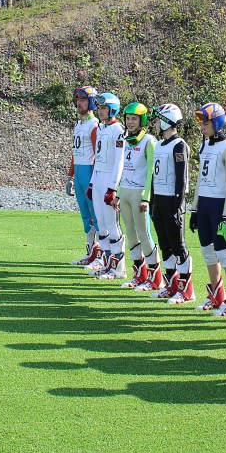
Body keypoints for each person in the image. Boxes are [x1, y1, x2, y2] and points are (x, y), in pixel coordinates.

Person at [189, 103, 226, 316]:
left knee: (224, 253)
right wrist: (194, 209)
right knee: (207, 252)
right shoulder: (203, 146)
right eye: (201, 122)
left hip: (220, 206)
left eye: (207, 122)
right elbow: (201, 180)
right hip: (204, 204)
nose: (202, 126)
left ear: (217, 123)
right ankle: (217, 296)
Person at [149, 103, 194, 304]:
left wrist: (178, 204)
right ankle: (172, 285)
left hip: (172, 201)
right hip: (159, 199)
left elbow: (181, 178)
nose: (156, 123)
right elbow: (153, 176)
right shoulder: (159, 145)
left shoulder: (179, 145)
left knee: (178, 246)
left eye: (159, 119)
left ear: (168, 120)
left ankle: (186, 289)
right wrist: (152, 200)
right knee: (165, 246)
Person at [114, 102, 158, 287]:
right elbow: (122, 168)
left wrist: (147, 197)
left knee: (144, 234)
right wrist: (117, 193)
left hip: (140, 193)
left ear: (142, 120)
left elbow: (151, 172)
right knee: (131, 234)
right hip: (125, 193)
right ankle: (139, 274)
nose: (130, 122)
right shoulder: (125, 139)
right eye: (128, 119)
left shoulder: (149, 141)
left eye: (134, 119)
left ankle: (155, 278)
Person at [86, 92, 125, 278]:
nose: (100, 111)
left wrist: (113, 187)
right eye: (99, 108)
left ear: (113, 109)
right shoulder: (101, 128)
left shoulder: (118, 130)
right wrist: (92, 184)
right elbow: (98, 159)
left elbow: (119, 162)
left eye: (104, 108)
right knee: (101, 224)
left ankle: (119, 267)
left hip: (110, 179)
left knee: (112, 223)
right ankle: (107, 263)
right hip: (99, 178)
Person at [69, 86, 100, 267]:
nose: (79, 103)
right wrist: (70, 175)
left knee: (95, 214)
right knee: (84, 214)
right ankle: (90, 252)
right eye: (78, 100)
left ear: (92, 102)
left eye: (83, 100)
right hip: (80, 171)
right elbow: (75, 152)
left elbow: (98, 155)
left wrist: (94, 179)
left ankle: (100, 255)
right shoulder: (79, 124)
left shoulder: (94, 125)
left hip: (89, 171)